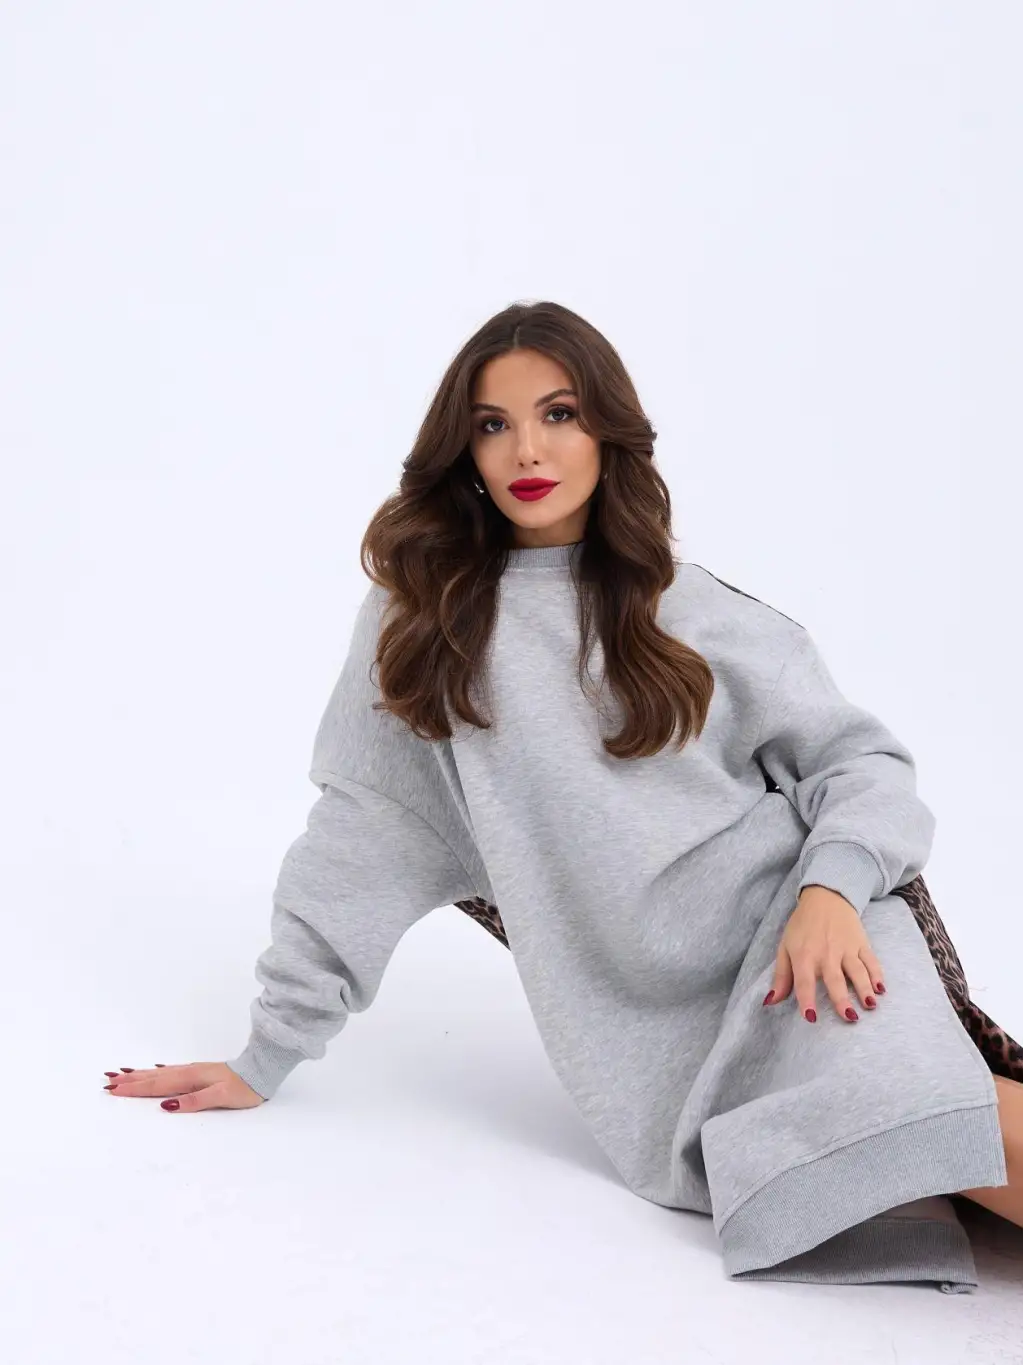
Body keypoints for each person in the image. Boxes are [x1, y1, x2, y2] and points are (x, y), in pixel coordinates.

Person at [105, 300, 1024, 1290]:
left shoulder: (690, 606)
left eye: (559, 414)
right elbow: (365, 833)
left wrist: (831, 891)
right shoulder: (425, 625)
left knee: (979, 1134)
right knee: (951, 1149)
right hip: (669, 1045)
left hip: (810, 950)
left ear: (606, 432)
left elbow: (862, 766)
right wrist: (267, 1052)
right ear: (462, 449)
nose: (526, 450)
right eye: (492, 424)